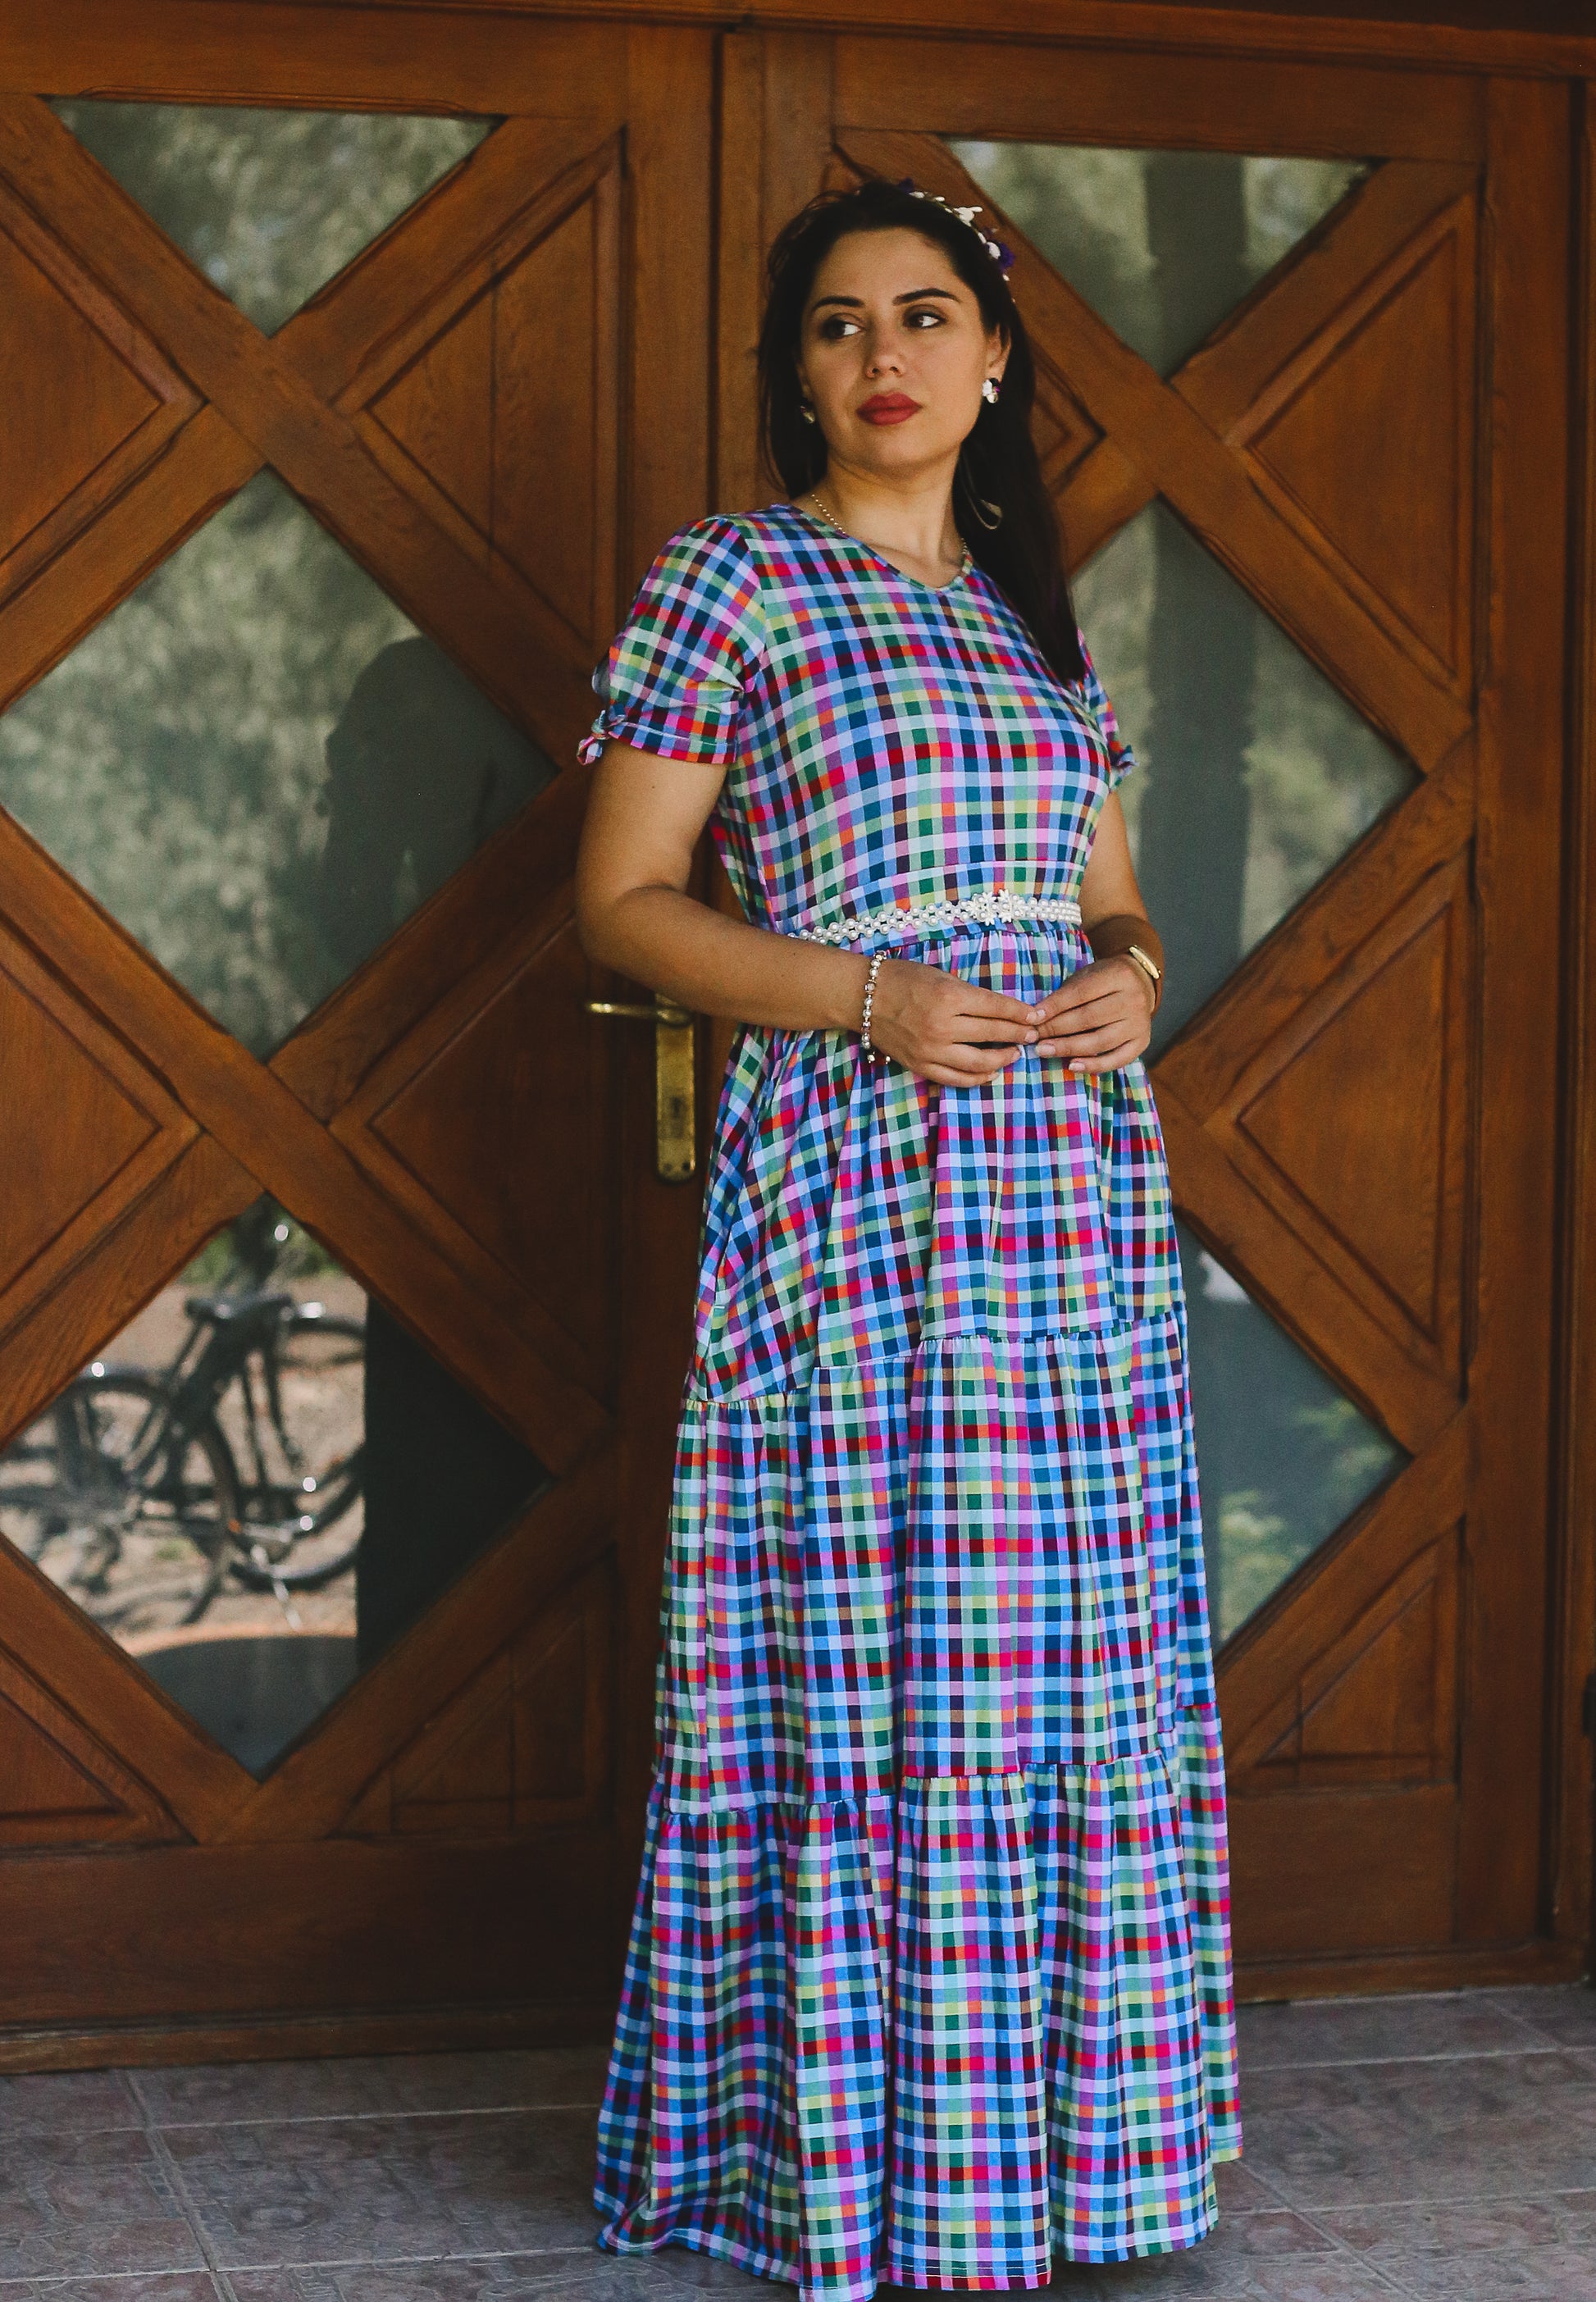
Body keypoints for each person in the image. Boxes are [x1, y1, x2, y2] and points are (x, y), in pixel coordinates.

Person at [574, 175, 1239, 2302]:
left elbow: (1107, 893)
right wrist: (864, 998)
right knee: (872, 1655)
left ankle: (1068, 2173)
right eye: (841, 322)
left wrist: (1133, 975)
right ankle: (861, 2176)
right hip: (860, 1185)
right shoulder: (731, 579)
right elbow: (622, 904)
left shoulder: (1040, 616)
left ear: (995, 357)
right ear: (795, 369)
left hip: (1069, 1197)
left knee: (1061, 1657)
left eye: (926, 315)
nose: (885, 356)